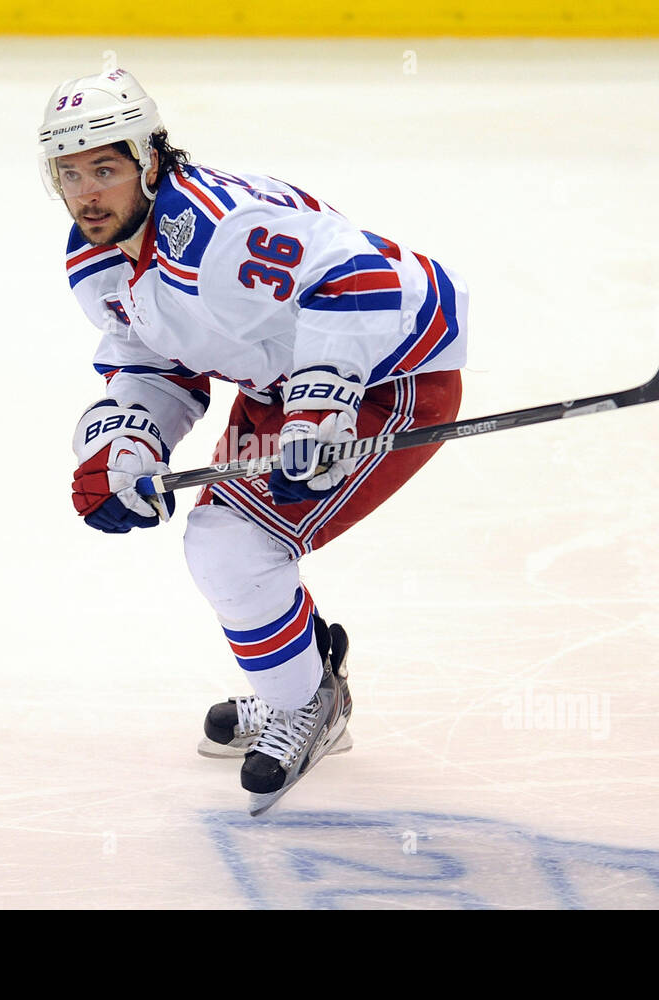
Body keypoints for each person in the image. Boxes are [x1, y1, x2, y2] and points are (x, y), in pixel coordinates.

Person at [40, 68, 468, 815]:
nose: (87, 193)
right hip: (283, 385)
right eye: (69, 173)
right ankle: (299, 683)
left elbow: (363, 275)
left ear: (148, 160)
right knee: (226, 543)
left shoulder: (216, 229)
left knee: (229, 545)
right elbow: (157, 364)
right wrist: (128, 444)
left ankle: (307, 702)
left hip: (389, 373)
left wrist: (322, 410)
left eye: (104, 169)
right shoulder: (95, 257)